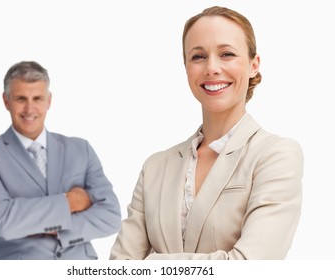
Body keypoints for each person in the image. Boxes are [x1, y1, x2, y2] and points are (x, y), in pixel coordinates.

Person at [110, 6, 303, 260]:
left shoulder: (276, 156)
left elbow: (251, 267)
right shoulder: (155, 167)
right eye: (198, 56)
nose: (211, 67)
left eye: (227, 54)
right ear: (186, 67)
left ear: (253, 65)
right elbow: (118, 268)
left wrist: (152, 263)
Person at [0, 61, 121, 260]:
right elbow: (3, 222)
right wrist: (69, 203)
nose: (29, 108)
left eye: (37, 98)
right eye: (21, 98)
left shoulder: (80, 148)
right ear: (6, 101)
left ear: (49, 101)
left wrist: (43, 225)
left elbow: (111, 217)